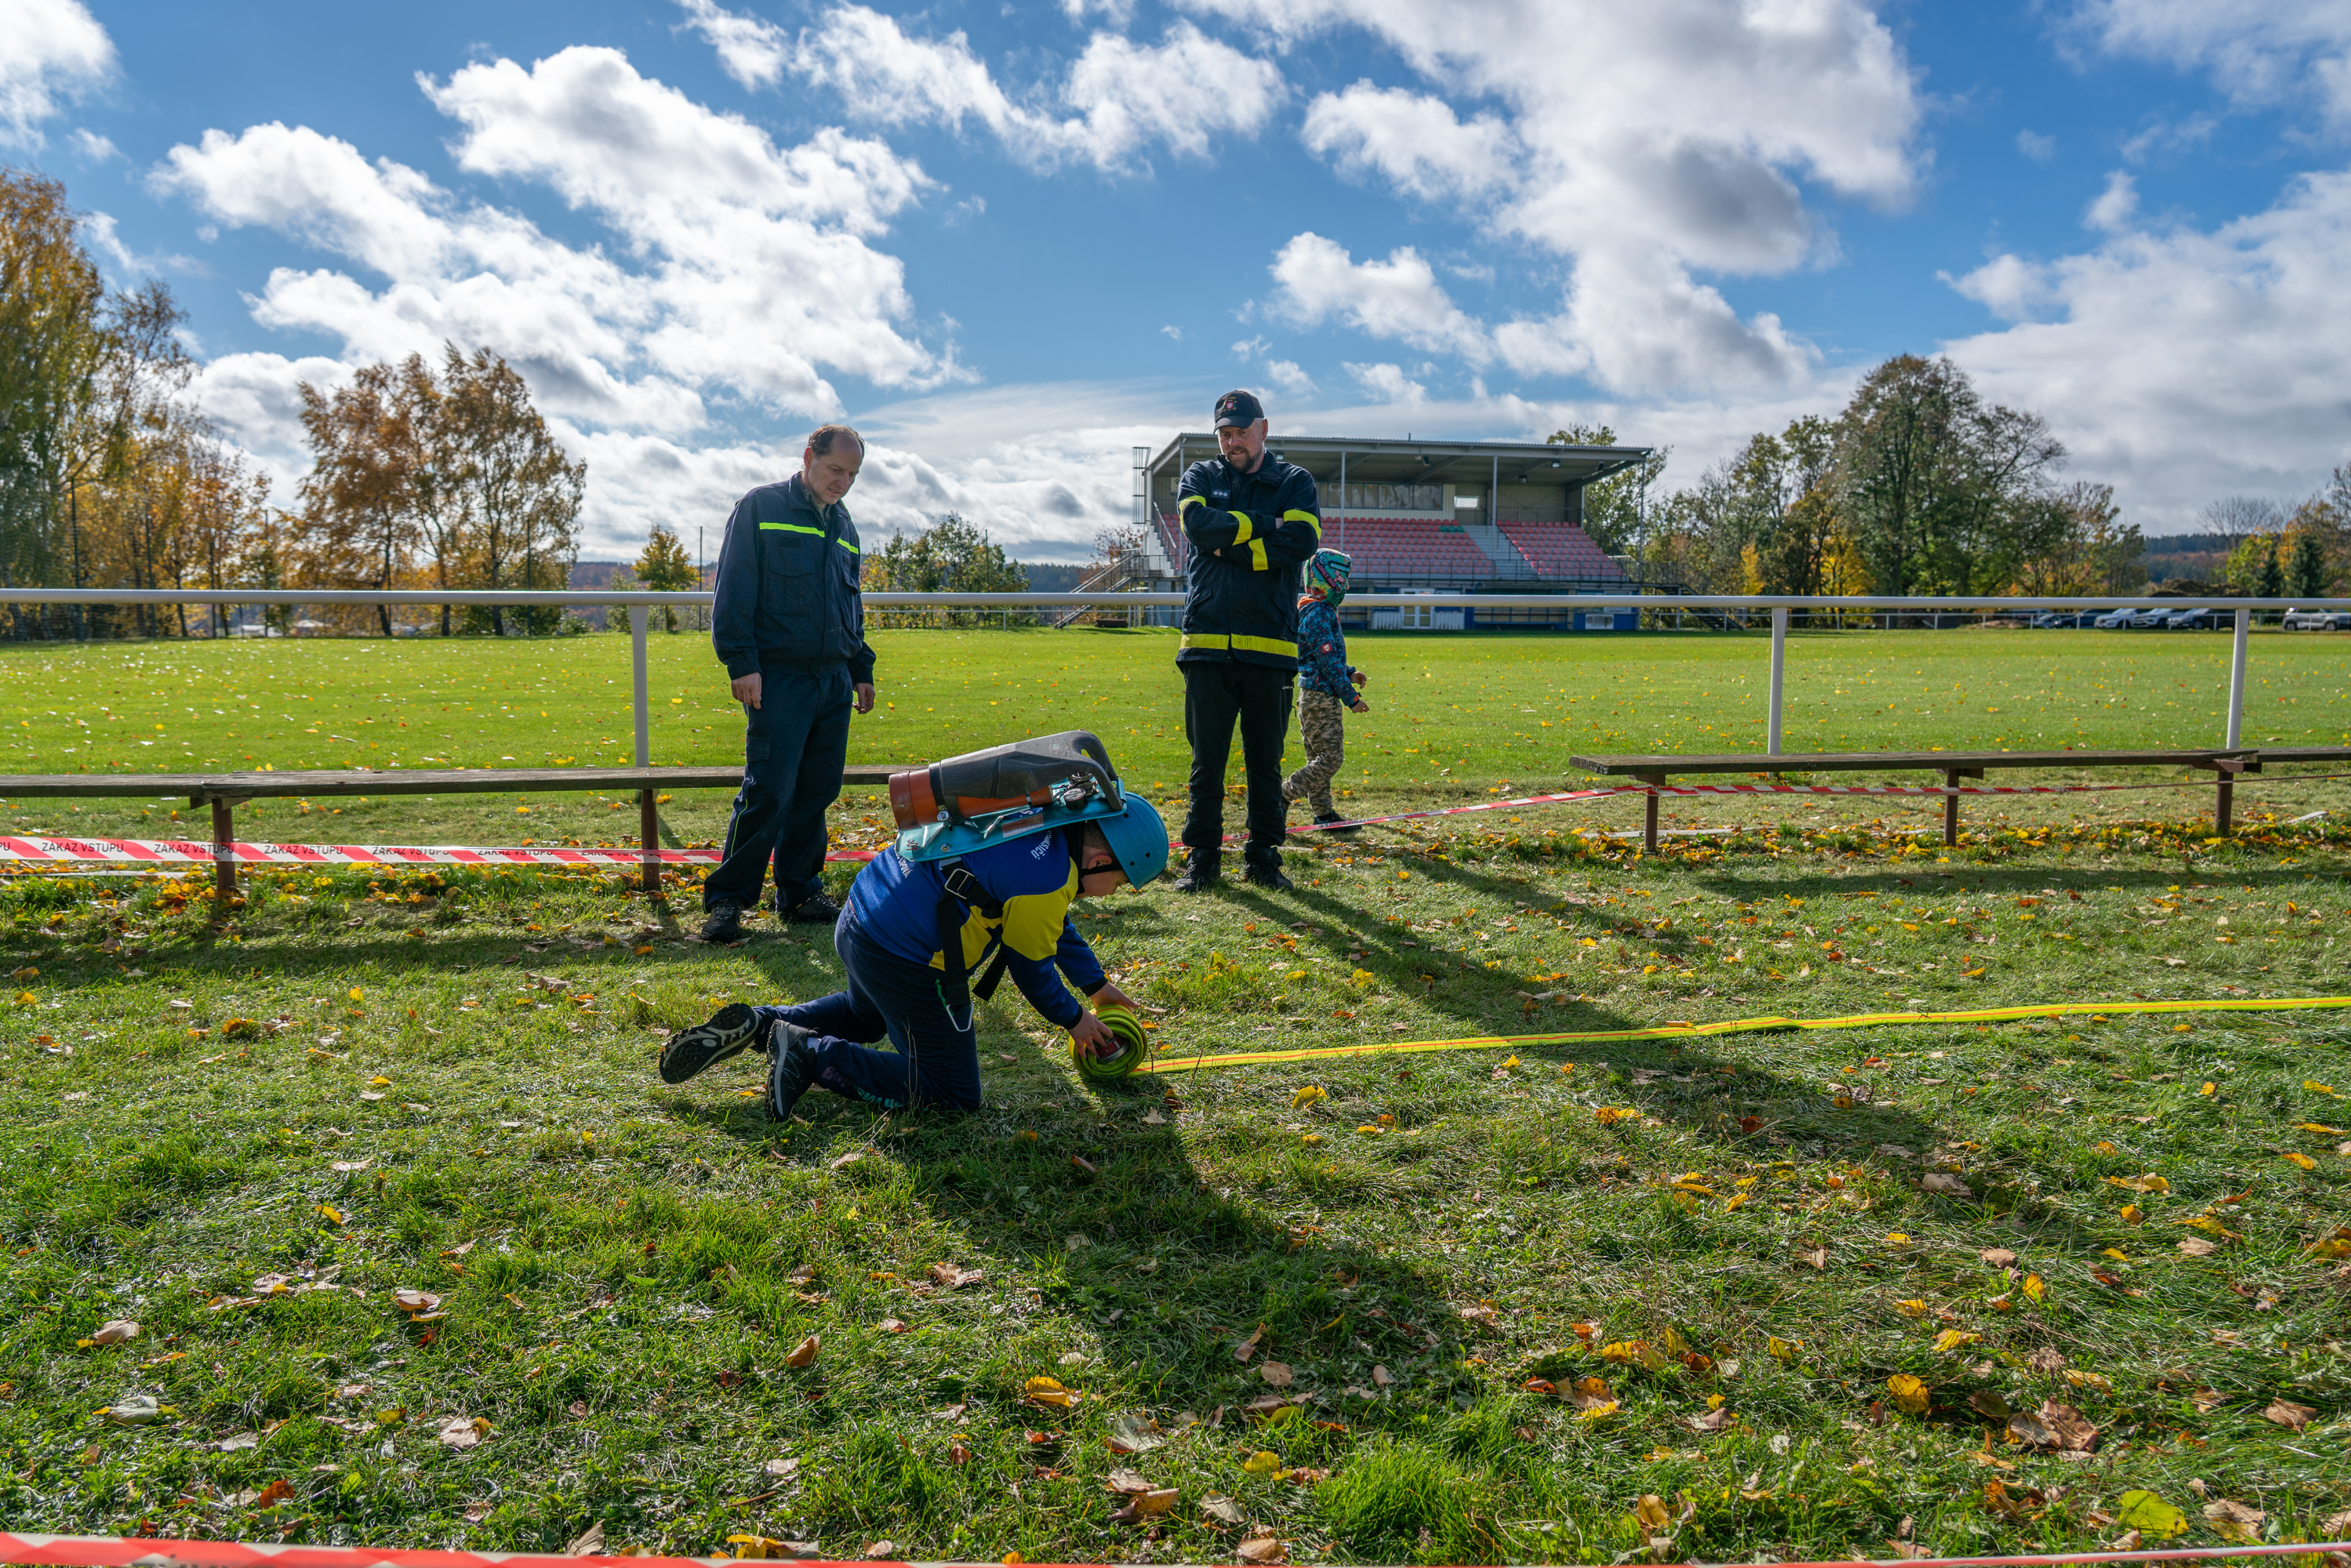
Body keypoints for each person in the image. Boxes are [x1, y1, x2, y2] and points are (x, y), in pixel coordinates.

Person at [656, 795, 1169, 1116]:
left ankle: (760, 1024)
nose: (1110, 892)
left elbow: (1052, 924)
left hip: (864, 914)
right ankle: (812, 1056)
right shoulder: (1048, 879)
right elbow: (1031, 968)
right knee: (951, 1091)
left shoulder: (1042, 826)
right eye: (1119, 884)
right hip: (904, 956)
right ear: (1101, 859)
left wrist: (1096, 985)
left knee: (867, 1014)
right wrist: (1075, 1019)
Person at [702, 425, 877, 945]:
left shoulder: (844, 526)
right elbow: (733, 590)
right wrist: (741, 663)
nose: (842, 483)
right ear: (808, 458)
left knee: (818, 790)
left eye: (852, 475)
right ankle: (727, 901)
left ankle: (799, 891)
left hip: (832, 681)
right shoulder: (761, 507)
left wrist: (861, 667)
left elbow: (851, 609)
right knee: (770, 790)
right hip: (777, 678)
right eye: (834, 470)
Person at [1174, 390, 1322, 893]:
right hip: (1207, 644)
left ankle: (1263, 857)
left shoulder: (1294, 481)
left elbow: (1302, 542)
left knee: (1266, 764)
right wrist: (1263, 530)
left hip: (1272, 647)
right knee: (1206, 763)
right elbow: (1197, 526)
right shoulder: (1200, 476)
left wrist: (1229, 546)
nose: (1232, 441)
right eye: (1224, 433)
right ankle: (1203, 860)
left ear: (1263, 428)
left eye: (1240, 431)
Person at [1284, 549, 1369, 836]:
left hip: (1315, 694)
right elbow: (1328, 664)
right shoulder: (1318, 613)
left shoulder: (1314, 611)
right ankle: (1281, 795)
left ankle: (1323, 814)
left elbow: (1328, 661)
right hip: (1320, 698)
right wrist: (1352, 698)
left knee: (1318, 758)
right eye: (1342, 579)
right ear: (1327, 580)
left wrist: (1350, 673)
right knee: (1331, 759)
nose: (1345, 586)